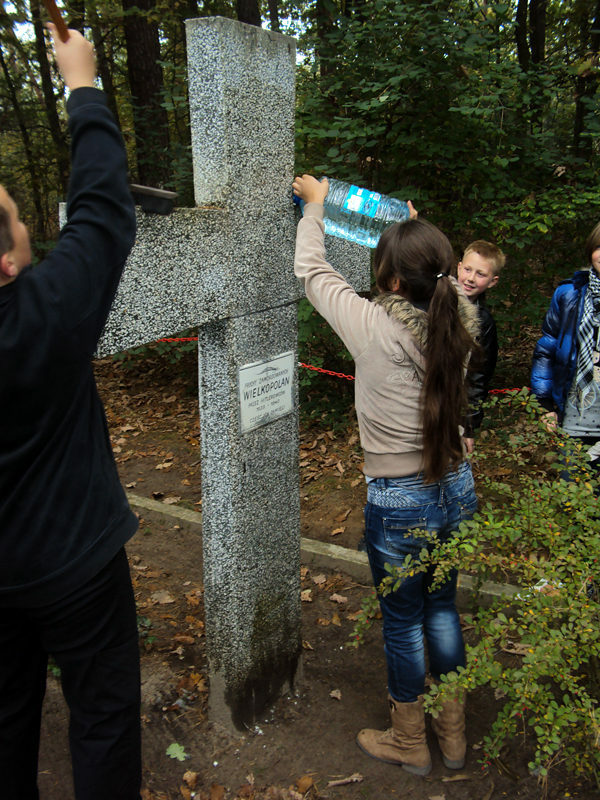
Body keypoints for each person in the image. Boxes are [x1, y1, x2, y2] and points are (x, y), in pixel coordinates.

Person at [293, 174, 480, 776]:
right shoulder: (461, 328)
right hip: (457, 486)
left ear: (393, 281)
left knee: (403, 622)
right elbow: (436, 280)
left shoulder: (374, 328)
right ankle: (451, 738)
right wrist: (414, 232)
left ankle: (409, 741)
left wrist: (317, 208)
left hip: (400, 499)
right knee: (444, 609)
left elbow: (314, 273)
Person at [0, 25, 140, 800]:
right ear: (6, 260)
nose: (27, 226)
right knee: (104, 717)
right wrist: (81, 83)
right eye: (19, 218)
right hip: (77, 563)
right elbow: (102, 211)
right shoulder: (47, 309)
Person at [531, 222, 600, 475]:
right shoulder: (569, 295)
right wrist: (545, 404)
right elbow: (547, 349)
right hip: (575, 413)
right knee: (571, 484)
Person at [456, 240, 506, 453]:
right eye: (467, 269)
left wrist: (469, 426)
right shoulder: (433, 300)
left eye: (480, 274)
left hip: (452, 406)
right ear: (458, 267)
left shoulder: (483, 322)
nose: (470, 278)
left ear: (493, 281)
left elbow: (478, 377)